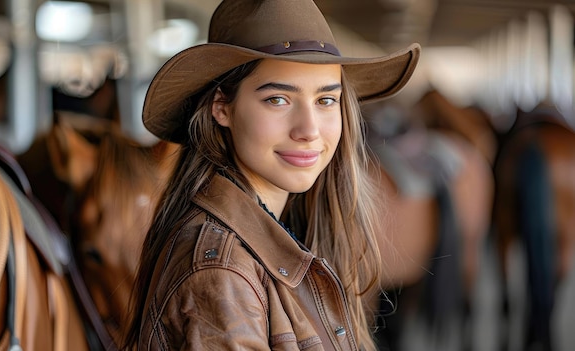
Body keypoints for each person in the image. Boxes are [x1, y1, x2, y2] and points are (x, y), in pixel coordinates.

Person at [123, 0, 420, 349]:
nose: (308, 130)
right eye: (278, 99)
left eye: (325, 100)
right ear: (222, 108)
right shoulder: (222, 275)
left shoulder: (276, 234)